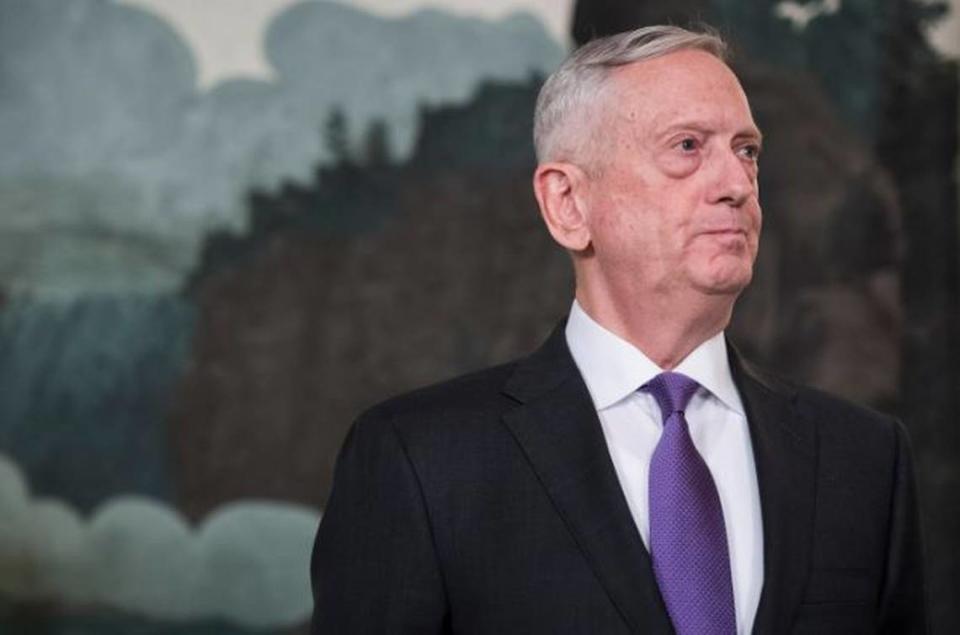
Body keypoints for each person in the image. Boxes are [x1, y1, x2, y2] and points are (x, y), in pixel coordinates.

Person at [311, 25, 927, 634]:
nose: (737, 185)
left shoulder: (864, 459)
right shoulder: (420, 459)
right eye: (688, 146)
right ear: (568, 205)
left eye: (747, 151)